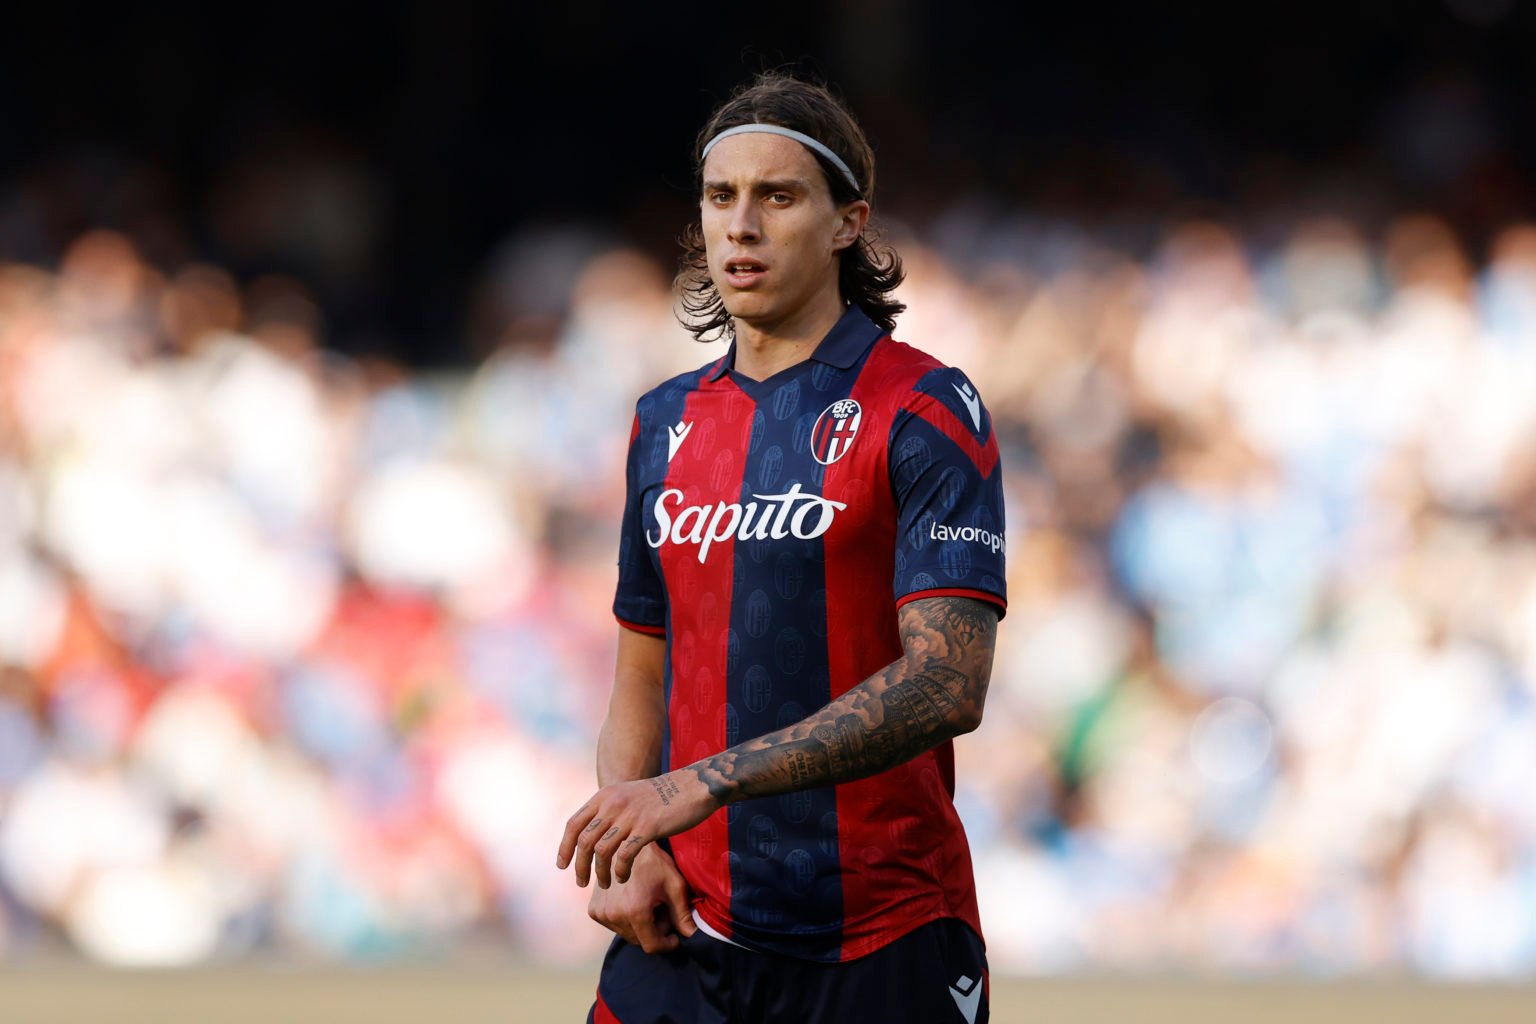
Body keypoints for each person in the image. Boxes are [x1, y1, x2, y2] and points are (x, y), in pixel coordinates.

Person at [556, 72, 1007, 1023]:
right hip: (693, 931)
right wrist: (633, 842)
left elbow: (947, 684)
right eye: (721, 197)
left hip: (882, 936)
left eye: (778, 195)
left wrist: (701, 784)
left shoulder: (924, 409)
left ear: (849, 222)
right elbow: (642, 670)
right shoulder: (663, 421)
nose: (741, 225)